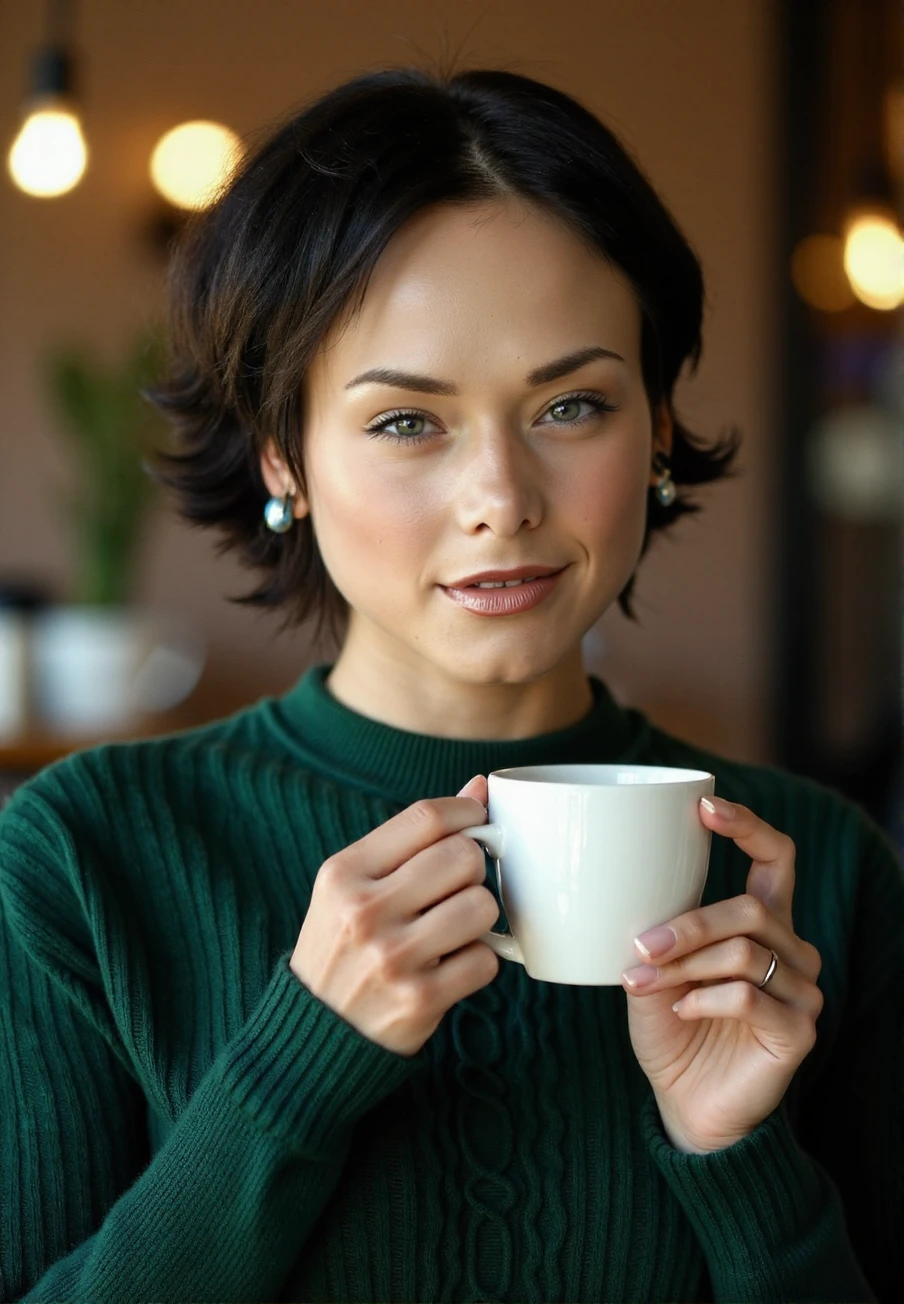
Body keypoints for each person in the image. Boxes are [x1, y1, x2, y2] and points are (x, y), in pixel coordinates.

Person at [0, 64, 901, 1304]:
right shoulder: (78, 860)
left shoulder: (826, 880)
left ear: (656, 432)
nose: (501, 499)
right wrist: (291, 1074)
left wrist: (739, 1156)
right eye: (406, 422)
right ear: (284, 456)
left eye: (572, 404)